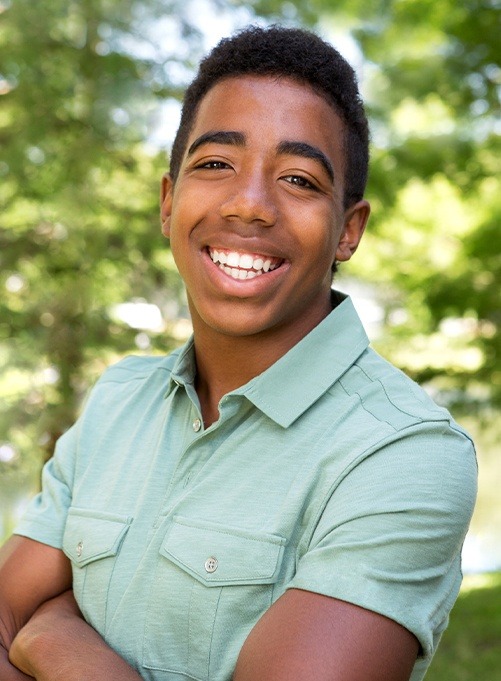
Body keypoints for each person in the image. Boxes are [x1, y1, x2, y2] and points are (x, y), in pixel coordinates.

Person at [0, 24, 477, 681]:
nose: (249, 204)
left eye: (299, 179)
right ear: (169, 203)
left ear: (347, 230)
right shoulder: (119, 398)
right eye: (215, 163)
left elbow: (22, 625)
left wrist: (58, 638)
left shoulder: (402, 452)